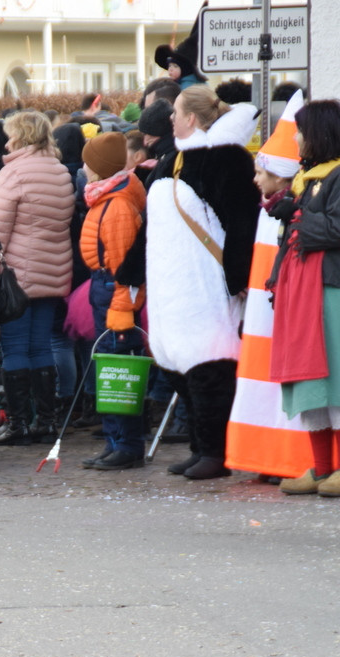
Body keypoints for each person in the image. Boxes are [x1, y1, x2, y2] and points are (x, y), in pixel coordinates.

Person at [145, 84, 260, 480]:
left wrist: (238, 276)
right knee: (179, 366)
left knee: (209, 367)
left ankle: (216, 450)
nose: (170, 118)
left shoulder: (226, 159)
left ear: (192, 117)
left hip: (205, 285)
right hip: (173, 286)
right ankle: (201, 446)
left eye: (176, 112)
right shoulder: (171, 159)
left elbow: (242, 220)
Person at [268, 100, 340, 498]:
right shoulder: (308, 179)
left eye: (300, 130)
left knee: (339, 376)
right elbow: (295, 238)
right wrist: (277, 280)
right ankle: (323, 468)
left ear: (319, 134)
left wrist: (298, 214)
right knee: (309, 377)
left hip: (332, 290)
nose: (295, 138)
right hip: (303, 290)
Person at [225, 90, 314, 484]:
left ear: (280, 175)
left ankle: (285, 457)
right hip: (265, 317)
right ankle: (264, 455)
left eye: (261, 171)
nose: (254, 177)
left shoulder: (286, 209)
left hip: (279, 316)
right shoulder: (270, 209)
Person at [0, 110, 75, 446]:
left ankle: (19, 424)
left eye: (10, 135)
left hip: (18, 277)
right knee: (41, 347)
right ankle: (47, 422)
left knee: (14, 349)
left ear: (21, 136)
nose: (6, 141)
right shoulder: (59, 171)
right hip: (53, 272)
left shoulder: (14, 174)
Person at [77, 132, 148, 470]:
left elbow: (125, 268)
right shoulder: (105, 199)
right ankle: (114, 440)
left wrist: (123, 307)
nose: (84, 168)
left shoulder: (117, 206)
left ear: (99, 169)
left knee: (119, 369)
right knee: (108, 367)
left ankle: (127, 444)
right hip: (101, 286)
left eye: (88, 163)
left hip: (112, 289)